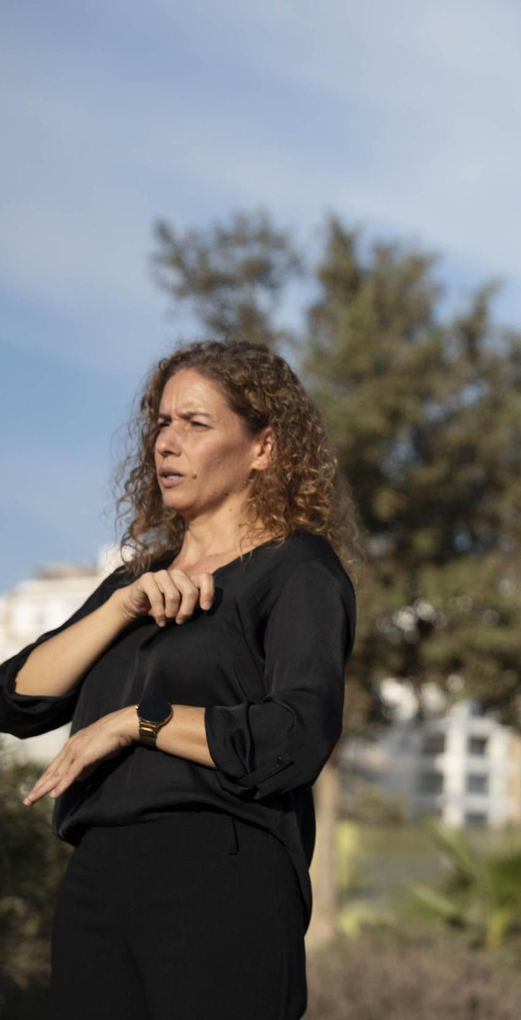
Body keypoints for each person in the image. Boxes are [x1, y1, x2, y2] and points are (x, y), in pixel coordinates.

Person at [0, 340, 358, 1020]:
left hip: (219, 869)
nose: (166, 443)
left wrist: (137, 721)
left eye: (196, 424)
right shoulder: (136, 582)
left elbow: (297, 735)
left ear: (264, 447)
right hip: (97, 875)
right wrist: (118, 607)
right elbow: (17, 699)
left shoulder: (296, 569)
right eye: (161, 422)